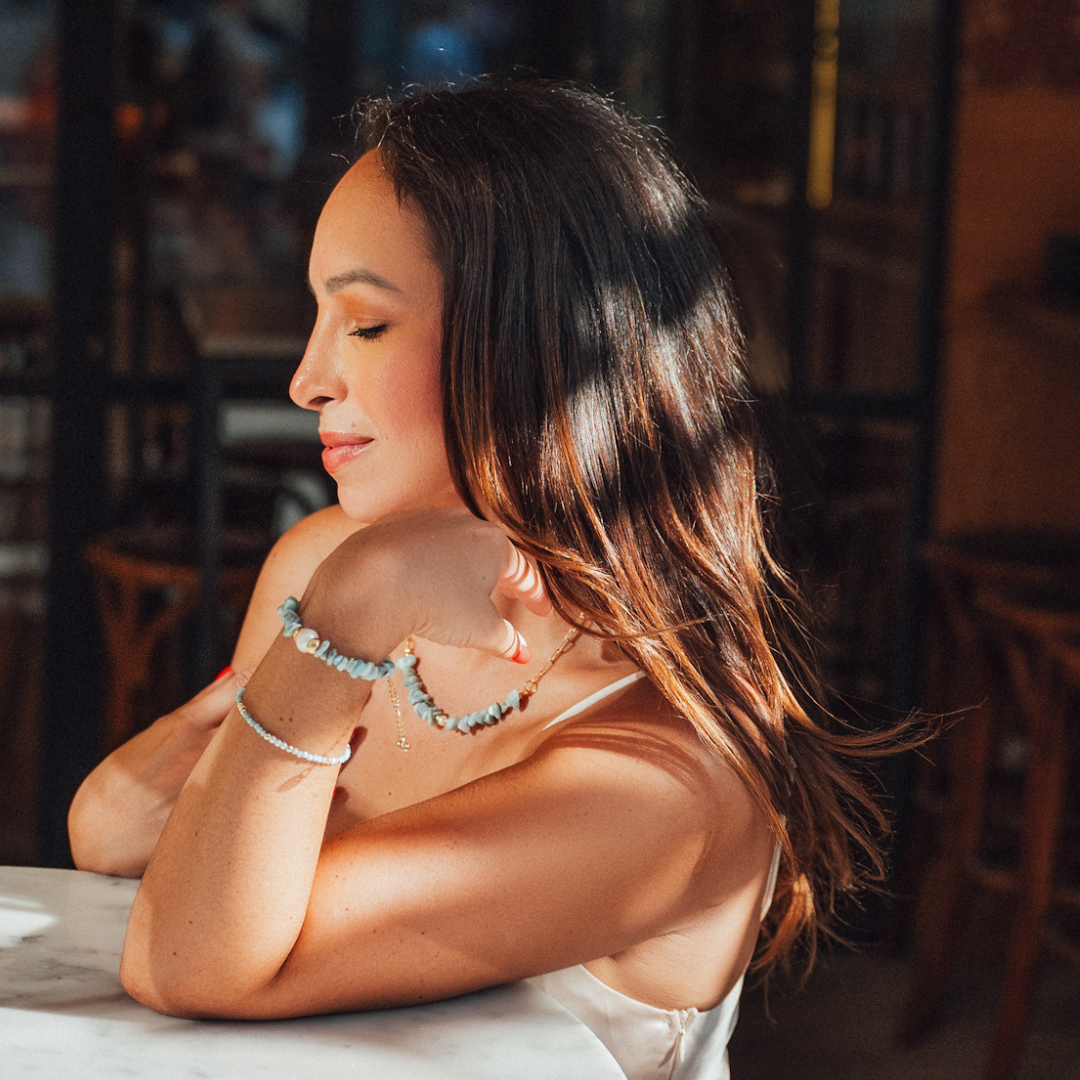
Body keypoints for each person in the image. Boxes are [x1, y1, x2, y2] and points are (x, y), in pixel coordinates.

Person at [68, 79, 899, 1080]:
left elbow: (189, 957)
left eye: (364, 324)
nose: (306, 378)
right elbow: (146, 851)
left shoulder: (670, 774)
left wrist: (354, 606)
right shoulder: (313, 561)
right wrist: (131, 802)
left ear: (540, 348)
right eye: (316, 318)